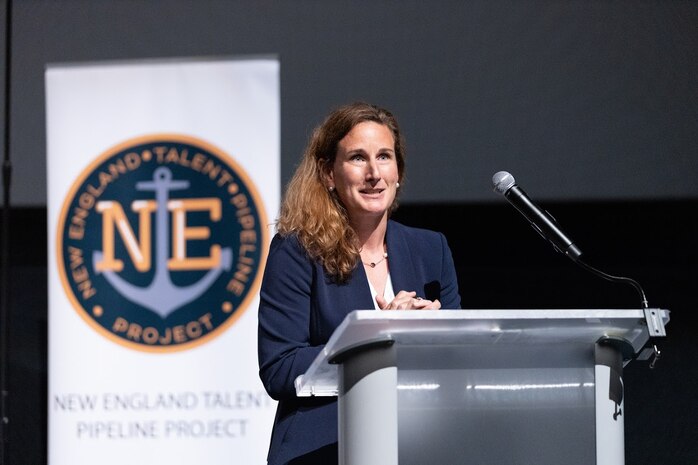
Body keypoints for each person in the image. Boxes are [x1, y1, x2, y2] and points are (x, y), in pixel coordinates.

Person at [257, 102, 461, 465]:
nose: (374, 174)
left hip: (419, 445)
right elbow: (280, 368)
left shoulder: (432, 249)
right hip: (322, 449)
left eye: (384, 157)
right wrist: (379, 336)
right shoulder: (296, 251)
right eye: (357, 158)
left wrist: (435, 334)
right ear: (328, 173)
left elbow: (457, 361)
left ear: (398, 172)